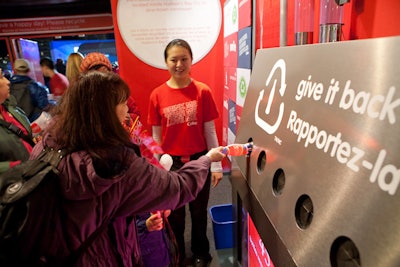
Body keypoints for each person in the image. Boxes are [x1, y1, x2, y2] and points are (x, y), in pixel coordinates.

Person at [27, 71, 225, 266]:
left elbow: (151, 144)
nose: (126, 109)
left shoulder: (46, 146)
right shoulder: (113, 163)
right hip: (106, 254)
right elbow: (178, 187)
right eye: (122, 103)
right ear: (105, 110)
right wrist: (207, 160)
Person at [147, 39, 223, 267]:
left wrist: (216, 165)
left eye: (184, 59)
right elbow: (156, 138)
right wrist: (158, 168)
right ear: (166, 62)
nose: (179, 64)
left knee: (199, 213)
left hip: (200, 160)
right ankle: (178, 256)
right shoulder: (157, 95)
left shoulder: (203, 91)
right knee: (176, 217)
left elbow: (209, 130)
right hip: (172, 165)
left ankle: (201, 254)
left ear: (191, 61)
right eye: (174, 59)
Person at [80, 51, 140, 117]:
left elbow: (136, 113)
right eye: (95, 73)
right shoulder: (82, 97)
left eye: (104, 71)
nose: (100, 77)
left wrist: (127, 117)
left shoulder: (119, 91)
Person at [0, 68, 34, 175]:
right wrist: (14, 167)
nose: (8, 81)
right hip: (14, 185)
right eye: (1, 77)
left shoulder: (9, 106)